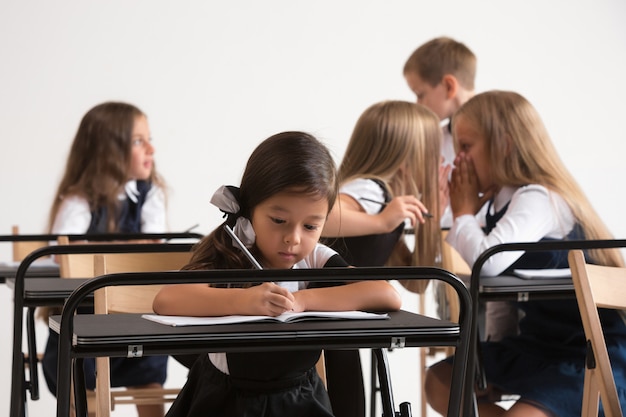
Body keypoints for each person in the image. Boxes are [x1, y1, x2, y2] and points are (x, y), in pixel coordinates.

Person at [152, 131, 402, 417]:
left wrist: (301, 301)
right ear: (250, 208)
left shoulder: (315, 259)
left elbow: (386, 295)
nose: (293, 238)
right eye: (279, 221)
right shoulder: (231, 251)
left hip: (300, 399)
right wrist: (245, 301)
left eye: (310, 226)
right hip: (226, 399)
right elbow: (166, 299)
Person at [424, 90, 626, 417]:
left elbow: (487, 264)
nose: (460, 159)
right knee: (440, 380)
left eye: (466, 147)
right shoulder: (499, 202)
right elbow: (502, 295)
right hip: (537, 345)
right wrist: (493, 360)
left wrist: (462, 214)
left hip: (585, 355)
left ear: (503, 145)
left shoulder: (539, 198)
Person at [41, 101, 169, 417]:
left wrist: (110, 250)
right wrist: (128, 249)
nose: (151, 147)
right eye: (139, 140)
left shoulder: (149, 195)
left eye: (149, 138)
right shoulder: (80, 198)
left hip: (136, 323)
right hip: (85, 325)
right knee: (77, 380)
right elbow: (64, 254)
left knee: (150, 368)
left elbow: (155, 250)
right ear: (107, 151)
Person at [320, 100, 444, 417]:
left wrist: (432, 221)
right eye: (433, 149)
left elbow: (415, 282)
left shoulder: (388, 203)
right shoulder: (371, 190)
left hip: (336, 316)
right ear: (407, 154)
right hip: (327, 313)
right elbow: (322, 216)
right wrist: (382, 222)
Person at [403, 36, 476, 167]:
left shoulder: (502, 132)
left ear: (449, 86)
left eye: (420, 94)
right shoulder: (432, 144)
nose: (417, 104)